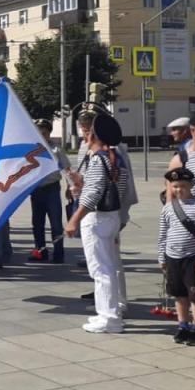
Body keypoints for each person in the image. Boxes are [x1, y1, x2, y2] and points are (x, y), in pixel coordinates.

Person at [65, 111, 128, 334]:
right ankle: (109, 312)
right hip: (110, 217)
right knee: (108, 266)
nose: (84, 135)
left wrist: (73, 219)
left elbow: (93, 194)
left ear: (92, 135)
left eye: (87, 132)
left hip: (97, 219)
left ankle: (109, 318)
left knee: (101, 269)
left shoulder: (98, 159)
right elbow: (112, 189)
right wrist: (79, 181)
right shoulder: (113, 157)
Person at [159, 167, 195, 345]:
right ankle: (183, 325)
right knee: (179, 294)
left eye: (182, 186)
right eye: (175, 186)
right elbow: (163, 234)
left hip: (193, 257)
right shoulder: (168, 208)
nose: (179, 190)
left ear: (191, 185)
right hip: (173, 256)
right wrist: (162, 257)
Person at [29, 119, 69, 263]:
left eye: (43, 132)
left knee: (56, 223)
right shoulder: (32, 149)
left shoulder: (56, 149)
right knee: (37, 223)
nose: (41, 134)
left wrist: (70, 187)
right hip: (36, 189)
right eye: (38, 131)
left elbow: (66, 169)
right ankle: (40, 252)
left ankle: (58, 254)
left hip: (51, 189)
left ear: (48, 133)